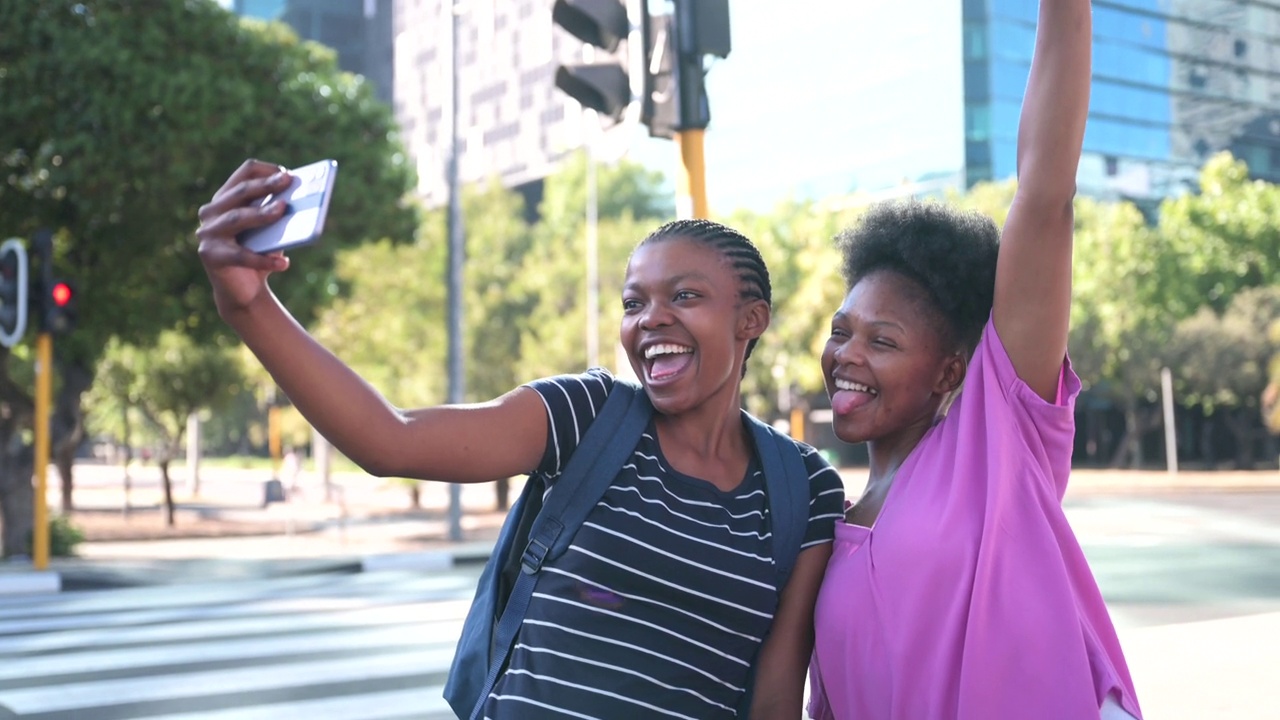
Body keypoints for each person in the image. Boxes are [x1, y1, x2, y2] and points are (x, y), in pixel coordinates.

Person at [194, 170, 845, 719]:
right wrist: (248, 307)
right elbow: (391, 441)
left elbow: (777, 693)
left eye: (685, 296)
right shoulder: (586, 415)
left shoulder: (805, 489)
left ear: (750, 319)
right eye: (633, 302)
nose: (651, 319)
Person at [807, 2, 1143, 719]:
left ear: (952, 370)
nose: (847, 357)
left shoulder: (996, 442)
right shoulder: (823, 522)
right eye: (842, 331)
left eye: (883, 340)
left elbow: (1045, 196)